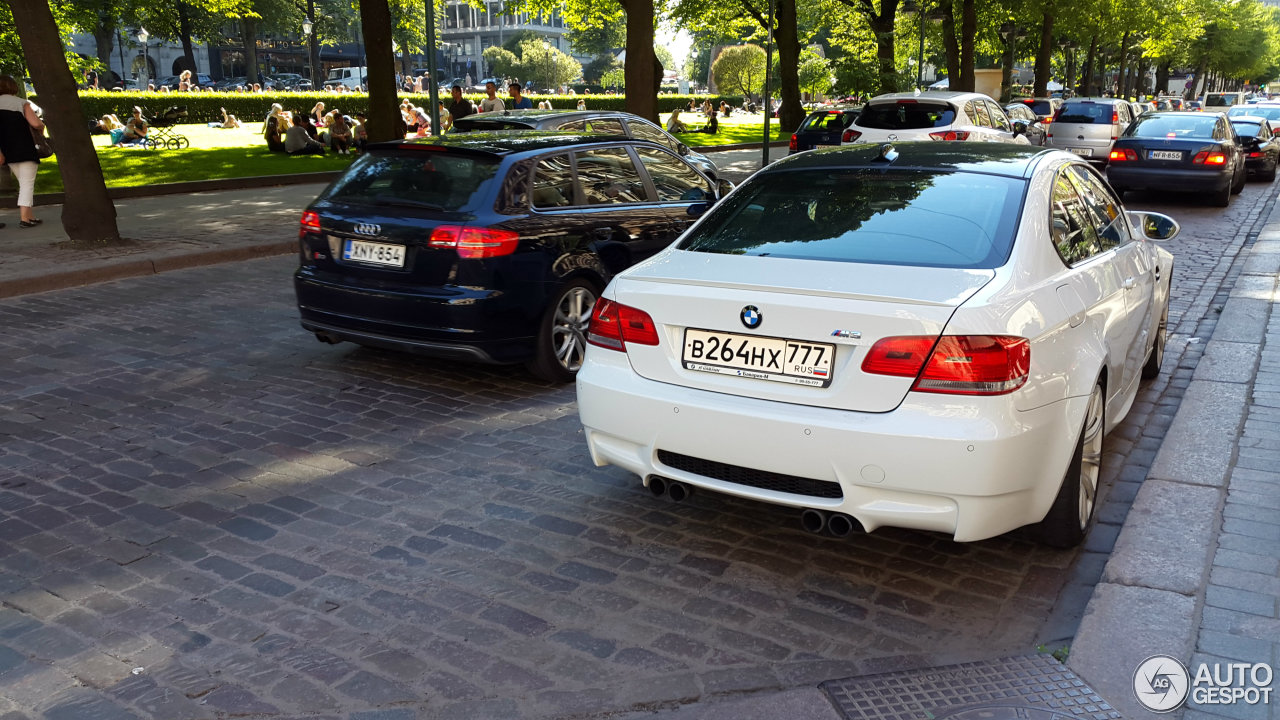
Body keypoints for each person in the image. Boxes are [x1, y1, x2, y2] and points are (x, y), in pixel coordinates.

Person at [0, 74, 46, 228]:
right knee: (27, 183)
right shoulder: (21, 103)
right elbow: (36, 123)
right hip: (24, 147)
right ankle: (25, 218)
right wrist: (42, 130)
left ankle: (30, 215)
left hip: (7, 149)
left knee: (23, 181)